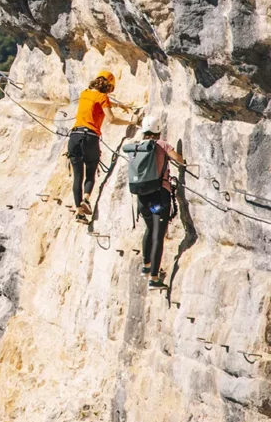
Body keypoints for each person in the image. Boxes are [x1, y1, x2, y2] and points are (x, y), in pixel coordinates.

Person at [68, 70, 137, 221]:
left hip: (74, 137)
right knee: (91, 172)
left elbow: (98, 102)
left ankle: (79, 212)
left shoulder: (84, 93)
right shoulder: (102, 97)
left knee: (77, 176)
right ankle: (86, 198)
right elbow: (111, 119)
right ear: (108, 85)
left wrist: (119, 105)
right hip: (90, 137)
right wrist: (131, 122)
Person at [130, 116, 186, 289]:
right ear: (158, 130)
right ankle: (154, 278)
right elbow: (179, 159)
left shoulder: (136, 147)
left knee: (149, 229)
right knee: (158, 235)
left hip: (142, 199)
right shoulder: (161, 144)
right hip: (158, 198)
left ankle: (146, 266)